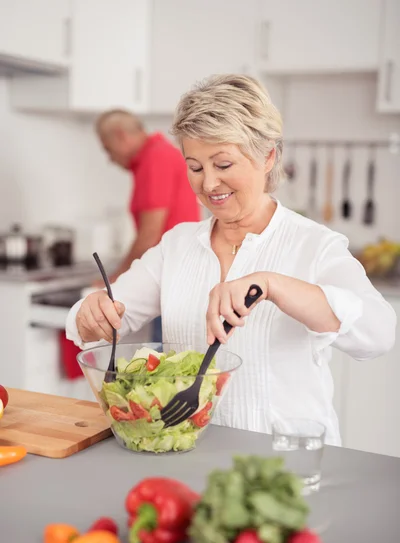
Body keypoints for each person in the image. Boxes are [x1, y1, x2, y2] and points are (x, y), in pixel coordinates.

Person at [66, 75, 396, 445]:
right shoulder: (176, 246)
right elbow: (100, 320)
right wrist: (90, 313)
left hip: (286, 467)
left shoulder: (314, 245)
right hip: (190, 456)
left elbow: (379, 334)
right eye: (195, 167)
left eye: (223, 165)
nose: (208, 184)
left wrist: (273, 285)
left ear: (267, 156)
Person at [93, 110, 201, 340]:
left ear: (121, 136)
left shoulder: (155, 158)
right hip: (176, 275)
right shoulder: (159, 154)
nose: (109, 158)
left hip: (172, 277)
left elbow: (150, 233)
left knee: (167, 363)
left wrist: (114, 281)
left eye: (107, 148)